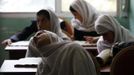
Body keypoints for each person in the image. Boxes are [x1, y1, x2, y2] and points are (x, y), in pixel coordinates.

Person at [27, 30, 99, 75]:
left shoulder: (73, 49)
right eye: (34, 41)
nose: (35, 38)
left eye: (39, 34)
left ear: (52, 36)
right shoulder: (42, 64)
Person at [1, 9, 73, 46]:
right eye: (38, 21)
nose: (39, 25)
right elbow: (24, 32)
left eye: (44, 20)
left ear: (52, 21)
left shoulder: (61, 26)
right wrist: (11, 39)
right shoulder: (35, 37)